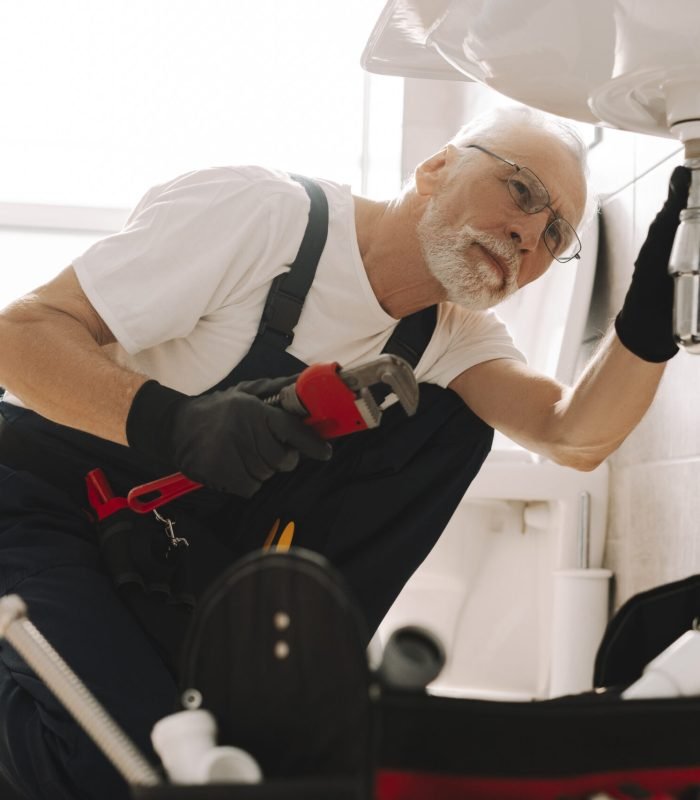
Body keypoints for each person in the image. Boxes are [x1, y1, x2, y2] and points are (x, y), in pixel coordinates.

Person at [0, 104, 690, 799]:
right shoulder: (264, 215)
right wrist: (175, 424)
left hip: (164, 534)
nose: (527, 235)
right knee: (126, 768)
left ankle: (289, 683)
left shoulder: (450, 336)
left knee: (448, 426)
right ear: (437, 168)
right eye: (520, 190)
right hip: (31, 498)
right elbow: (19, 335)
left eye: (554, 233)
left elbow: (574, 436)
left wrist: (657, 303)